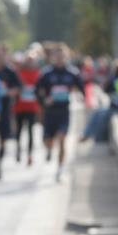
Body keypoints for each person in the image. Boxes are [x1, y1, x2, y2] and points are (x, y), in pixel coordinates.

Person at [36, 43, 84, 181]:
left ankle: (60, 168)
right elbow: (38, 91)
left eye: (62, 56)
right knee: (48, 140)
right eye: (57, 56)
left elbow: (81, 88)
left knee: (62, 139)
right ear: (52, 57)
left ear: (66, 56)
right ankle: (49, 149)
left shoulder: (72, 73)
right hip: (50, 112)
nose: (60, 58)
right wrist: (45, 99)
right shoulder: (46, 73)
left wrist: (80, 95)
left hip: (64, 111)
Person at [0, 43, 21, 180]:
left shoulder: (10, 72)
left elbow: (18, 88)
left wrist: (8, 92)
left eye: (1, 55)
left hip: (5, 109)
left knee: (3, 139)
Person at [80, 60, 118, 143]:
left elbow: (106, 90)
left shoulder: (116, 80)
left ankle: (88, 135)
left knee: (98, 115)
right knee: (98, 113)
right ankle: (88, 135)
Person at [14, 52, 40, 165]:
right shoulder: (19, 73)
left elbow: (41, 90)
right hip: (19, 107)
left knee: (30, 131)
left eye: (32, 60)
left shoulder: (39, 74)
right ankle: (18, 150)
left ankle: (29, 154)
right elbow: (15, 87)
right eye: (28, 60)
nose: (30, 63)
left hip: (32, 107)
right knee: (19, 131)